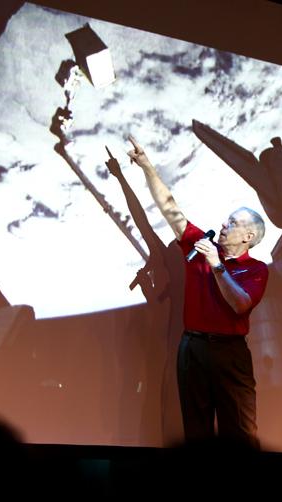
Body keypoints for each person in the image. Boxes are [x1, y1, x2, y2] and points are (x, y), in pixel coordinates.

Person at [106, 136, 268, 448]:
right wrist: (146, 167)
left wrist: (215, 265)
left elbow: (239, 305)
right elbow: (170, 208)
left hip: (229, 354)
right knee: (197, 435)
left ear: (248, 235)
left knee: (240, 436)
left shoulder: (256, 269)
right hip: (191, 348)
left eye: (232, 222)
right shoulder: (200, 244)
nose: (223, 224)